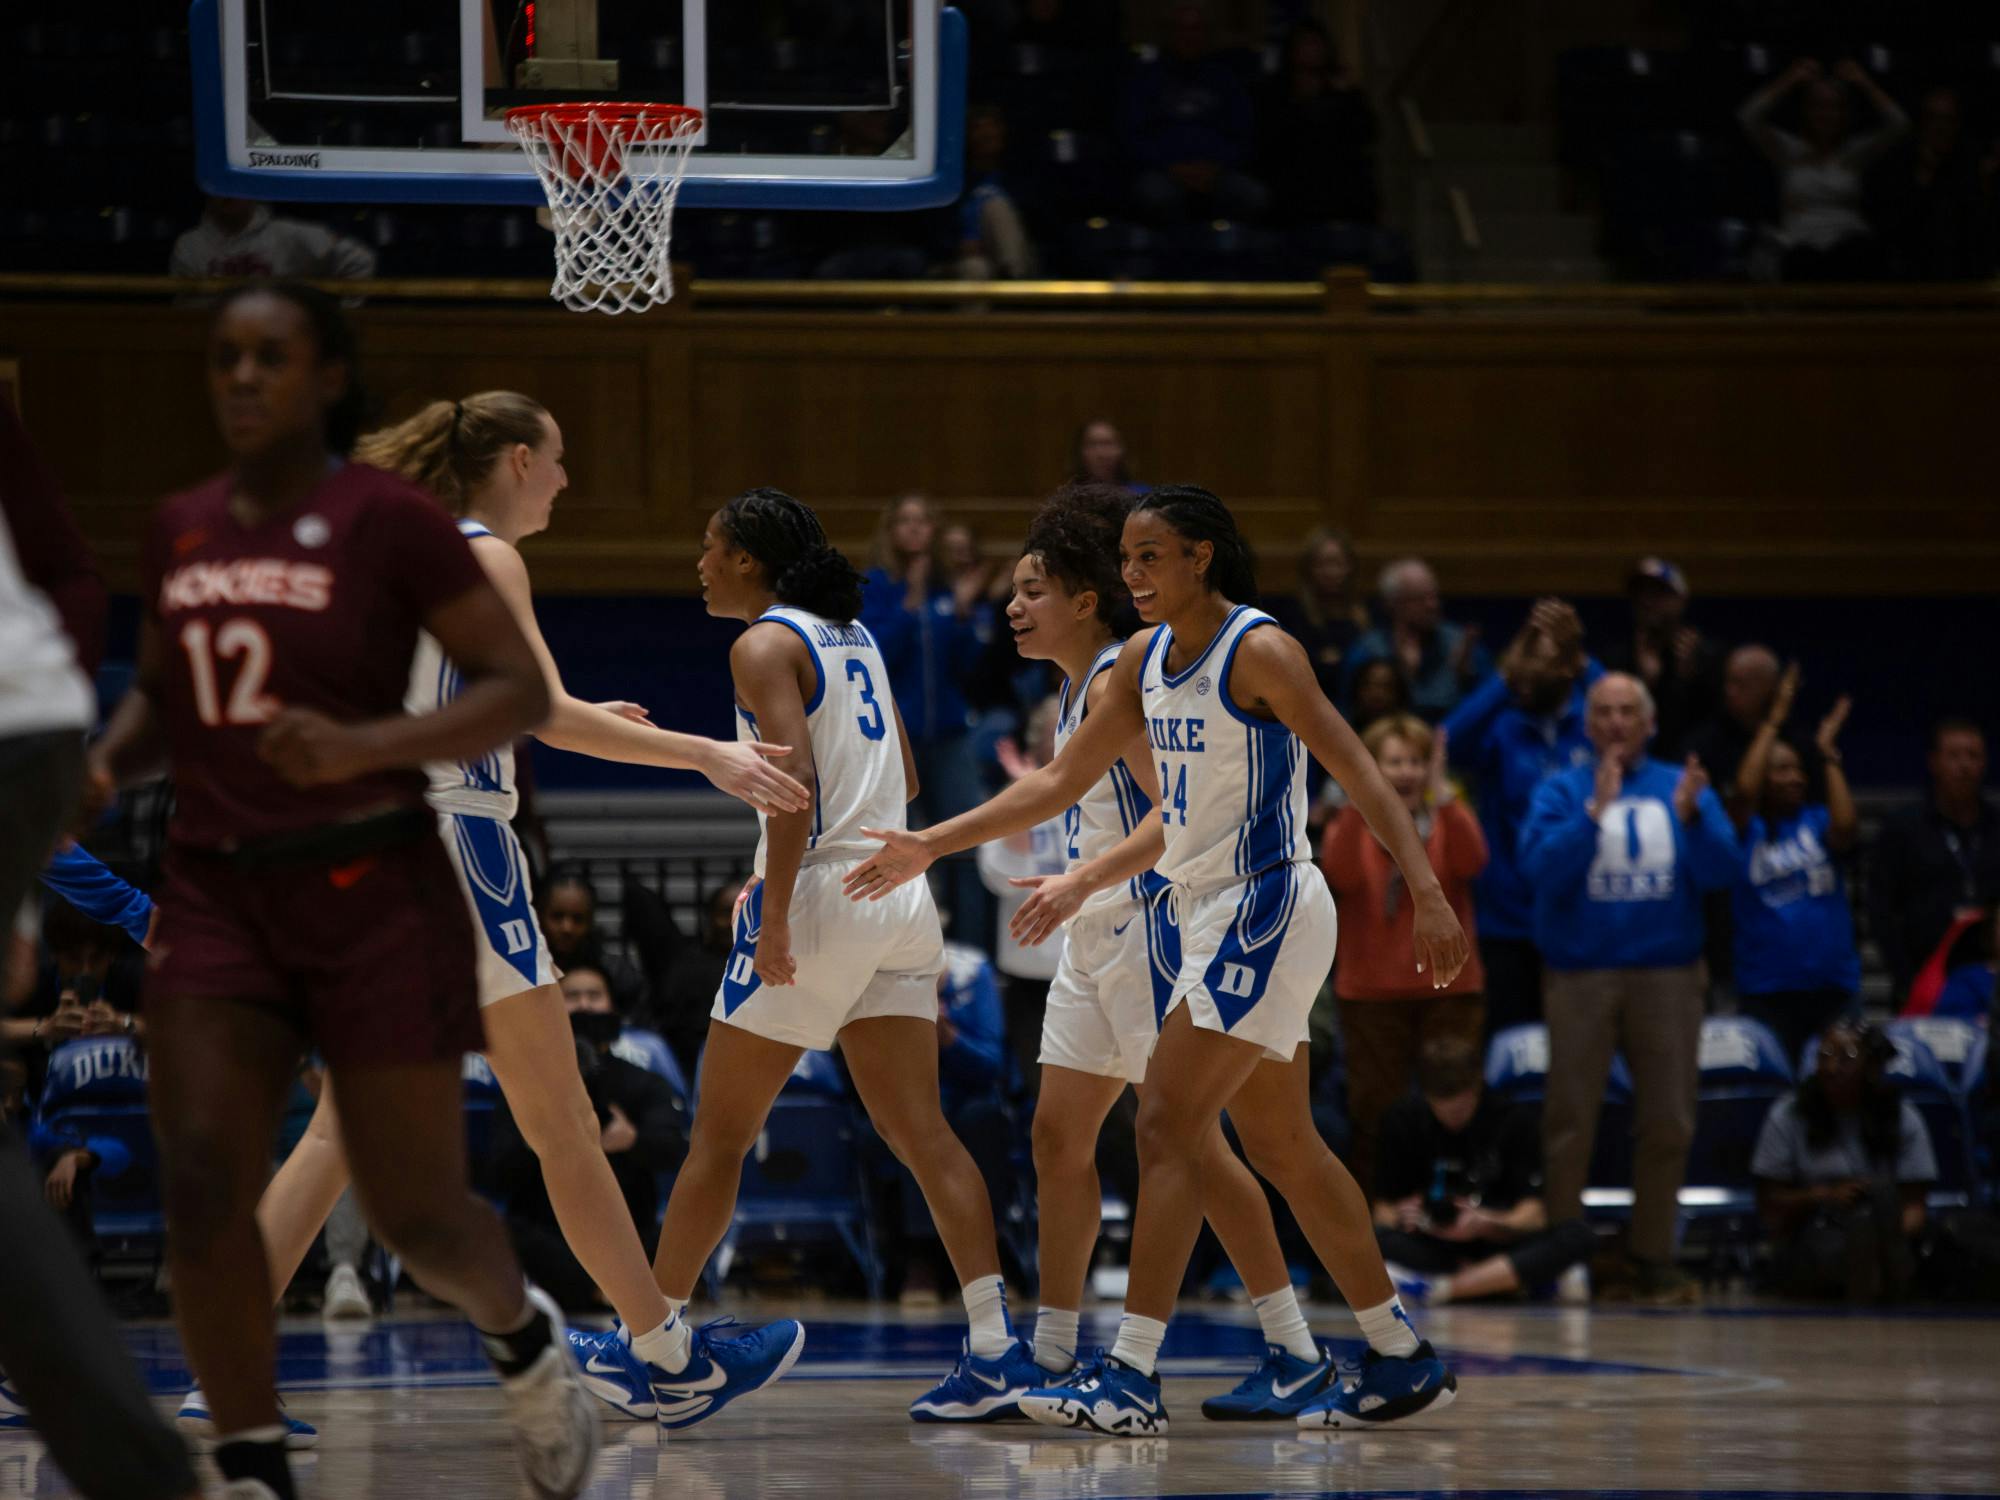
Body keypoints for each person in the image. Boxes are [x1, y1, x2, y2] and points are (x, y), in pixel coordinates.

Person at [171, 387, 812, 1439]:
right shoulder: (486, 554)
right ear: (515, 459)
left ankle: (220, 1363)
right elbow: (534, 711)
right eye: (556, 460)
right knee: (557, 1122)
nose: (564, 480)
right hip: (449, 854)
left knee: (345, 1126)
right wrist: (707, 752)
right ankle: (666, 1357)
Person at [83, 282, 595, 1500]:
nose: (244, 381)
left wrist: (363, 748)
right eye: (227, 360)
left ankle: (522, 1342)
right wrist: (93, 770)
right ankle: (252, 1458)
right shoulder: (184, 528)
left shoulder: (403, 532)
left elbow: (515, 701)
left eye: (274, 359)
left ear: (327, 382)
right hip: (222, 888)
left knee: (415, 1210)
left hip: (375, 878)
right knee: (206, 1177)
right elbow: (166, 699)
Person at [846, 484, 1468, 1435]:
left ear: (1201, 559)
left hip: (1264, 900)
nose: (1132, 574)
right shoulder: (1139, 659)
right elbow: (1058, 781)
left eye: (1150, 558)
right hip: (1209, 906)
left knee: (1170, 1125)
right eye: (1126, 558)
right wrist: (933, 844)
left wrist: (1424, 888)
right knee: (1281, 1146)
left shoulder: (1259, 650)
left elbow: (1356, 765)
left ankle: (1132, 1373)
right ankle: (1398, 1352)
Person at [587, 485, 1032, 1427]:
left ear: (749, 559)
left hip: (826, 892)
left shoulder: (762, 643)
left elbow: (790, 783)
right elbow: (905, 778)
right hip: (897, 889)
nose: (700, 565)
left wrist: (778, 911)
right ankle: (996, 1349)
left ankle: (652, 1352)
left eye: (711, 547)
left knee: (716, 1140)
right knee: (924, 1134)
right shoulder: (854, 638)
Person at [962, 483, 1343, 1421]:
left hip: (1151, 930)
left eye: (1034, 588)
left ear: (1084, 601)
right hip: (1094, 938)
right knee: (1058, 1135)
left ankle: (1291, 1346)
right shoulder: (1077, 686)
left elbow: (1178, 815)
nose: (1014, 606)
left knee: (1195, 1148)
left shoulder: (1127, 679)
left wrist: (1081, 878)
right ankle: (1051, 1352)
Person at [1520, 673, 1742, 1305]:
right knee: (1569, 1118)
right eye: (1604, 712)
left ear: (1650, 724)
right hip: (1580, 975)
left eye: (1627, 712)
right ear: (1586, 726)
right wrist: (1594, 812)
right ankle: (1564, 1252)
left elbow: (1724, 871)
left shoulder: (1683, 784)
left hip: (1668, 975)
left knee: (1668, 1120)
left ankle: (1653, 1257)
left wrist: (1696, 818)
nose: (1616, 722)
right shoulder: (1560, 789)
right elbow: (1540, 873)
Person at [1322, 714, 1487, 1198]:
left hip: (1451, 990)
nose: (1407, 772)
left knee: (1455, 1106)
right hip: (1371, 997)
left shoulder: (1449, 816)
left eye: (1416, 761)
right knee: (1374, 1116)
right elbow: (1342, 875)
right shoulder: (1349, 823)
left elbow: (1475, 861)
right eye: (1393, 762)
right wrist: (1357, 800)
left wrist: (1445, 796)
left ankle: (1457, 1219)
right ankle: (1378, 1229)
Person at [1442, 598, 1598, 1035]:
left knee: (1583, 1042)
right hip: (1509, 917)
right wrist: (1504, 675)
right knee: (1514, 1042)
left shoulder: (1595, 721)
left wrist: (1585, 661)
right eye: (1521, 661)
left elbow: (1639, 719)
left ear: (1570, 668)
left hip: (1583, 911)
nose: (1529, 672)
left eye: (1543, 661)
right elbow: (1445, 743)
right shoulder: (1501, 725)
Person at [494, 1003, 688, 1313]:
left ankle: (606, 1291)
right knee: (508, 1234)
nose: (584, 1004)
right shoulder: (528, 1088)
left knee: (676, 1231)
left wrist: (633, 1140)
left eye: (593, 994)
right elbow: (496, 1168)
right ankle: (606, 1292)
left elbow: (674, 1148)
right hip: (547, 1230)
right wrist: (542, 1139)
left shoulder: (641, 1082)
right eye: (572, 995)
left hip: (631, 1227)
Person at [1373, 1037, 1595, 1306]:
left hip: (1493, 1239)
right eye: (1442, 1109)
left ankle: (1441, 1289)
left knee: (1576, 1234)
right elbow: (1381, 1210)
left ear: (1477, 1086)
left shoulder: (1513, 1119)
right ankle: (1510, 1283)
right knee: (1364, 1241)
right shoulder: (1402, 1120)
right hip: (1432, 1244)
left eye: (1462, 1108)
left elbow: (1533, 1215)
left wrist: (1486, 1222)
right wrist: (1402, 1216)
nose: (1453, 1117)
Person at [859, 494, 990, 938]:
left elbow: (971, 665)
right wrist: (909, 605)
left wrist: (963, 612)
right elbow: (874, 656)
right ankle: (903, 941)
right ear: (891, 530)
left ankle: (973, 949)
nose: (915, 530)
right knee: (900, 843)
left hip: (951, 733)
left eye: (923, 521)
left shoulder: (945, 588)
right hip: (900, 739)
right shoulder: (876, 587)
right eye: (905, 521)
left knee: (965, 844)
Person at [1753, 1021, 1937, 1302]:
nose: (1830, 1068)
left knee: (1882, 1198)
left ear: (1873, 1067)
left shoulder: (1902, 1116)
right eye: (1824, 1055)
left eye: (1846, 1058)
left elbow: (1915, 1206)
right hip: (1815, 1230)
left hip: (1888, 1235)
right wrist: (1825, 1196)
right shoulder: (1789, 1113)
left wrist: (1881, 1238)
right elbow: (1769, 1204)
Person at [1732, 689, 1861, 1061]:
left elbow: (1848, 827)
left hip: (1833, 987)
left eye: (1799, 769)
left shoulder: (1818, 821)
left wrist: (1826, 754)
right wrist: (1772, 724)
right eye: (1781, 769)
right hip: (1767, 991)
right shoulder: (1743, 830)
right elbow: (1743, 791)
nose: (1795, 778)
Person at [1738, 57, 1908, 281]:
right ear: (1806, 111)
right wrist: (1790, 79)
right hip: (1800, 246)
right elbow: (1748, 116)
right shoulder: (1787, 151)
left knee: (1860, 256)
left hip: (1848, 246)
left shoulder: (1855, 153)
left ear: (1843, 113)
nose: (1825, 114)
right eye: (1818, 106)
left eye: (1833, 107)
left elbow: (1900, 124)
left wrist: (1864, 82)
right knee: (1802, 262)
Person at [1868, 718, 2000, 1005]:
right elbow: (1880, 910)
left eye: (1973, 756)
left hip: (1990, 983)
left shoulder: (1996, 827)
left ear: (1985, 763)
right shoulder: (1903, 829)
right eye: (1953, 756)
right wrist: (1906, 977)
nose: (1964, 765)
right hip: (1921, 981)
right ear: (1933, 762)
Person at [1120, 3, 1267, 227]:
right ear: (1169, 33)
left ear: (1206, 34)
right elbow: (1132, 136)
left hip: (1217, 170)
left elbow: (1244, 134)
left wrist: (1213, 168)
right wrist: (1172, 167)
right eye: (1181, 29)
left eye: (1195, 29)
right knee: (1155, 195)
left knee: (1252, 195)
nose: (1188, 36)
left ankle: (1228, 257)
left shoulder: (1225, 80)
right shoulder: (1147, 79)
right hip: (1163, 170)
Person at [1869, 85, 1999, 282]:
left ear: (1957, 123)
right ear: (1922, 121)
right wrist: (1924, 178)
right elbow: (1891, 225)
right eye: (1933, 118)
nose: (1940, 127)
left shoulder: (1972, 162)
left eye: (1948, 119)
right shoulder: (1897, 163)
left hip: (1965, 274)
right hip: (1909, 274)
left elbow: (1978, 227)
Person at [1258, 19, 1380, 229]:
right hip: (1291, 172)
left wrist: (1346, 95)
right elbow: (1270, 139)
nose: (1310, 51)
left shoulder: (1341, 90)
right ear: (1292, 50)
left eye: (1315, 44)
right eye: (1305, 44)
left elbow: (1368, 131)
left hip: (1337, 172)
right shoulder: (1276, 91)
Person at [1594, 557, 1718, 762]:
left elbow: (1713, 725)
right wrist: (1645, 680)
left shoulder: (1705, 657)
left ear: (1681, 600)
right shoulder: (1615, 659)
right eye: (1640, 594)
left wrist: (1686, 679)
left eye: (1658, 593)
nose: (1647, 601)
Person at [1343, 557, 1488, 723]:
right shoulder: (1369, 650)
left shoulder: (1459, 643)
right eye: (1420, 598)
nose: (1432, 605)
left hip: (1451, 734)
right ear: (1393, 603)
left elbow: (1485, 707)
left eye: (1434, 596)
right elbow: (1348, 710)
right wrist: (1404, 675)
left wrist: (1467, 676)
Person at [1688, 645, 1813, 809]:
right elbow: (1743, 797)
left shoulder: (1797, 739)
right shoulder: (1708, 740)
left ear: (1769, 688)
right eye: (1728, 681)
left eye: (1740, 684)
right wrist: (1772, 723)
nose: (1729, 691)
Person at [1262, 527, 1369, 708]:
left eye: (1338, 563)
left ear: (1350, 566)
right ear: (1308, 569)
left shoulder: (1365, 615)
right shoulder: (1292, 614)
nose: (1331, 572)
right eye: (1322, 564)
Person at [170, 196, 378, 282]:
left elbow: (359, 260)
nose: (228, 194)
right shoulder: (189, 245)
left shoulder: (287, 235)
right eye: (221, 184)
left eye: (235, 183)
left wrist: (341, 315)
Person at [538, 867, 650, 1017]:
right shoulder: (522, 973)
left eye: (577, 919)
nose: (567, 928)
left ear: (590, 921)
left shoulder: (618, 973)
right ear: (539, 916)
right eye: (557, 917)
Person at [955, 105, 1038, 280]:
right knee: (975, 268)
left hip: (1021, 254)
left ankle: (1015, 282)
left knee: (996, 206)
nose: (987, 134)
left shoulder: (1021, 179)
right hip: (962, 259)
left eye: (992, 126)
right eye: (978, 127)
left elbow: (1040, 226)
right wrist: (957, 246)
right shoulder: (954, 183)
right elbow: (933, 231)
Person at [1068, 418, 1143, 493]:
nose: (1101, 453)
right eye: (1092, 444)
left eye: (1108, 444)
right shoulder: (1066, 499)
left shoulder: (1143, 496)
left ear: (1122, 449)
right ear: (1080, 451)